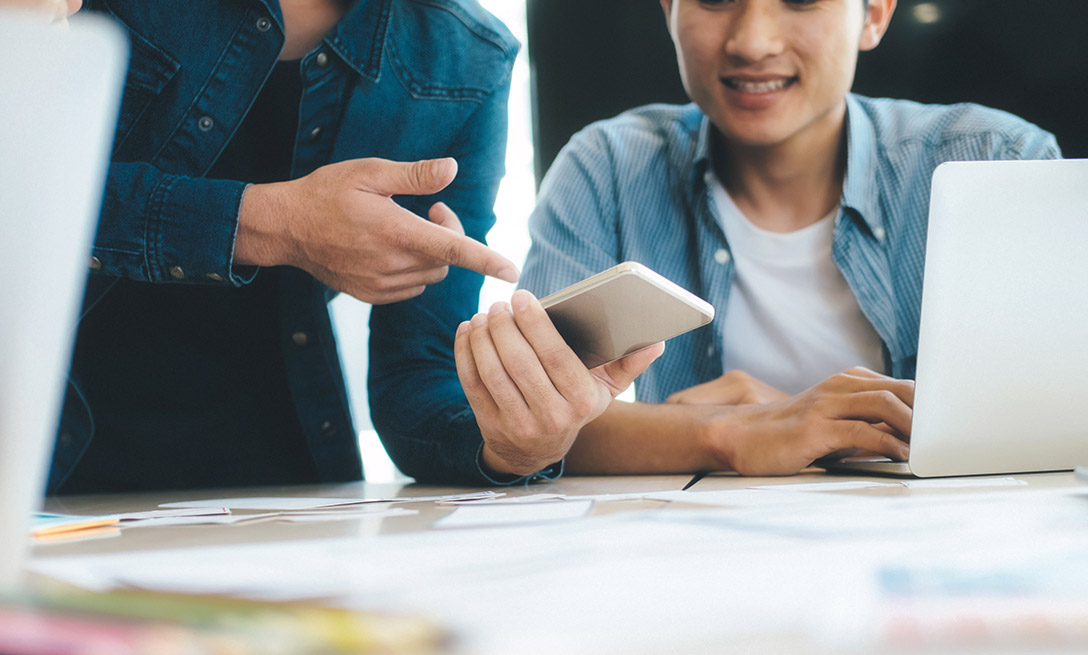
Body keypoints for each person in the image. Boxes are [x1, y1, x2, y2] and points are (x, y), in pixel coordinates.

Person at [38, 0, 657, 494]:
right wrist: (270, 222)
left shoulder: (465, 57)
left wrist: (515, 445)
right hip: (42, 470)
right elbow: (22, 194)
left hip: (278, 492)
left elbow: (420, 380)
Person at [455, 0, 1061, 477]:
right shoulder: (607, 168)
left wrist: (691, 432)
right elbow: (539, 422)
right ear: (669, 10)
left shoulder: (999, 160)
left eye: (799, 0)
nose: (752, 41)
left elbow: (1051, 414)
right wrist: (733, 432)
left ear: (873, 14)